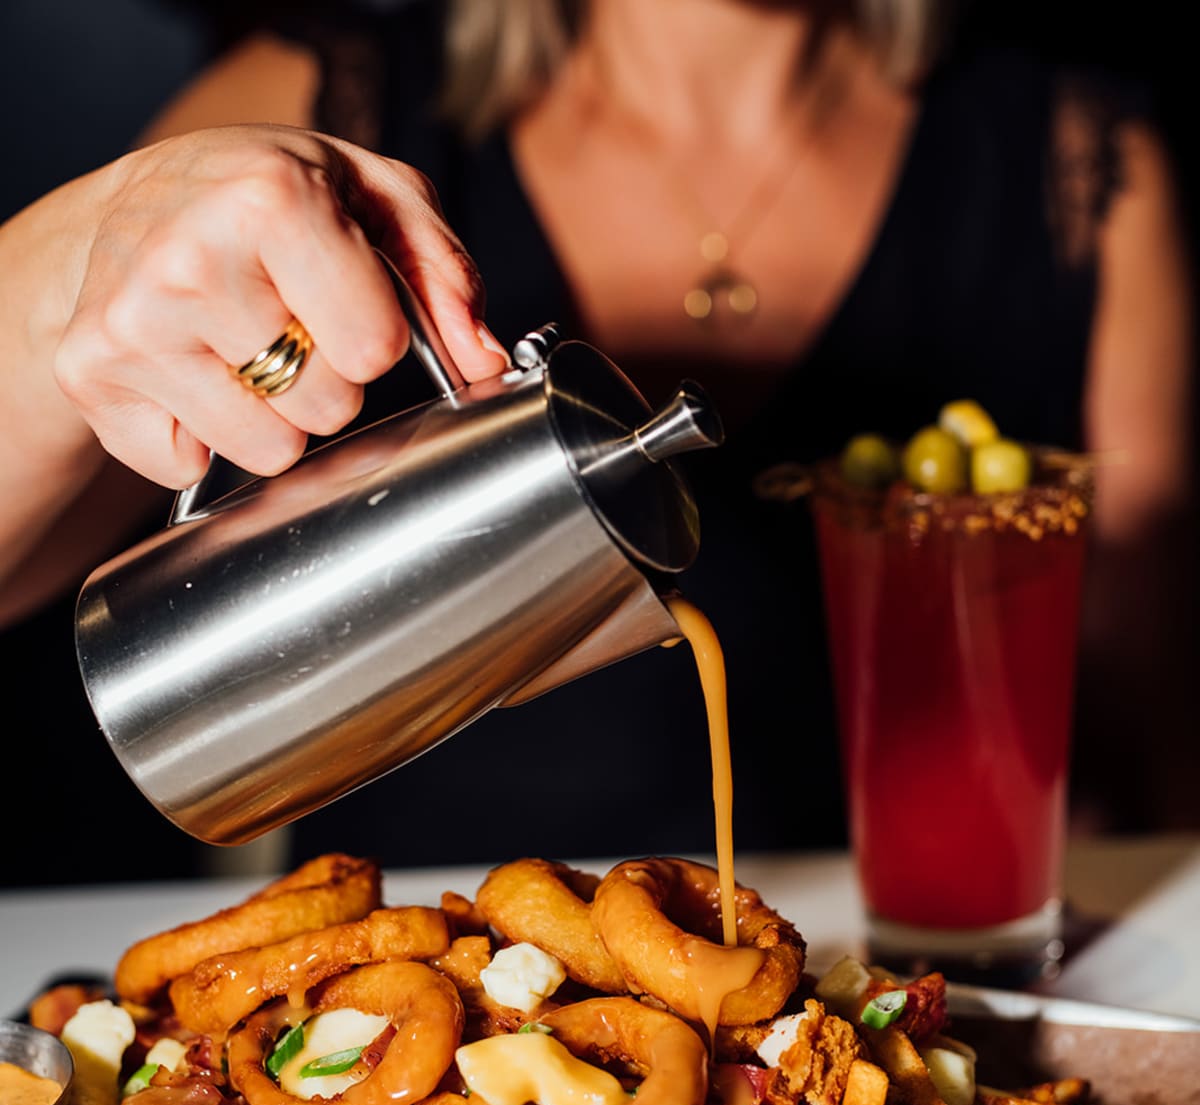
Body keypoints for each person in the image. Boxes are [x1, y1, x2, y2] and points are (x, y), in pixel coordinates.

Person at [0, 0, 1193, 885]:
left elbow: (1148, 726)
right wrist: (77, 249)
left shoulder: (1081, 168)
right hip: (409, 1016)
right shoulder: (310, 108)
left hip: (899, 957)